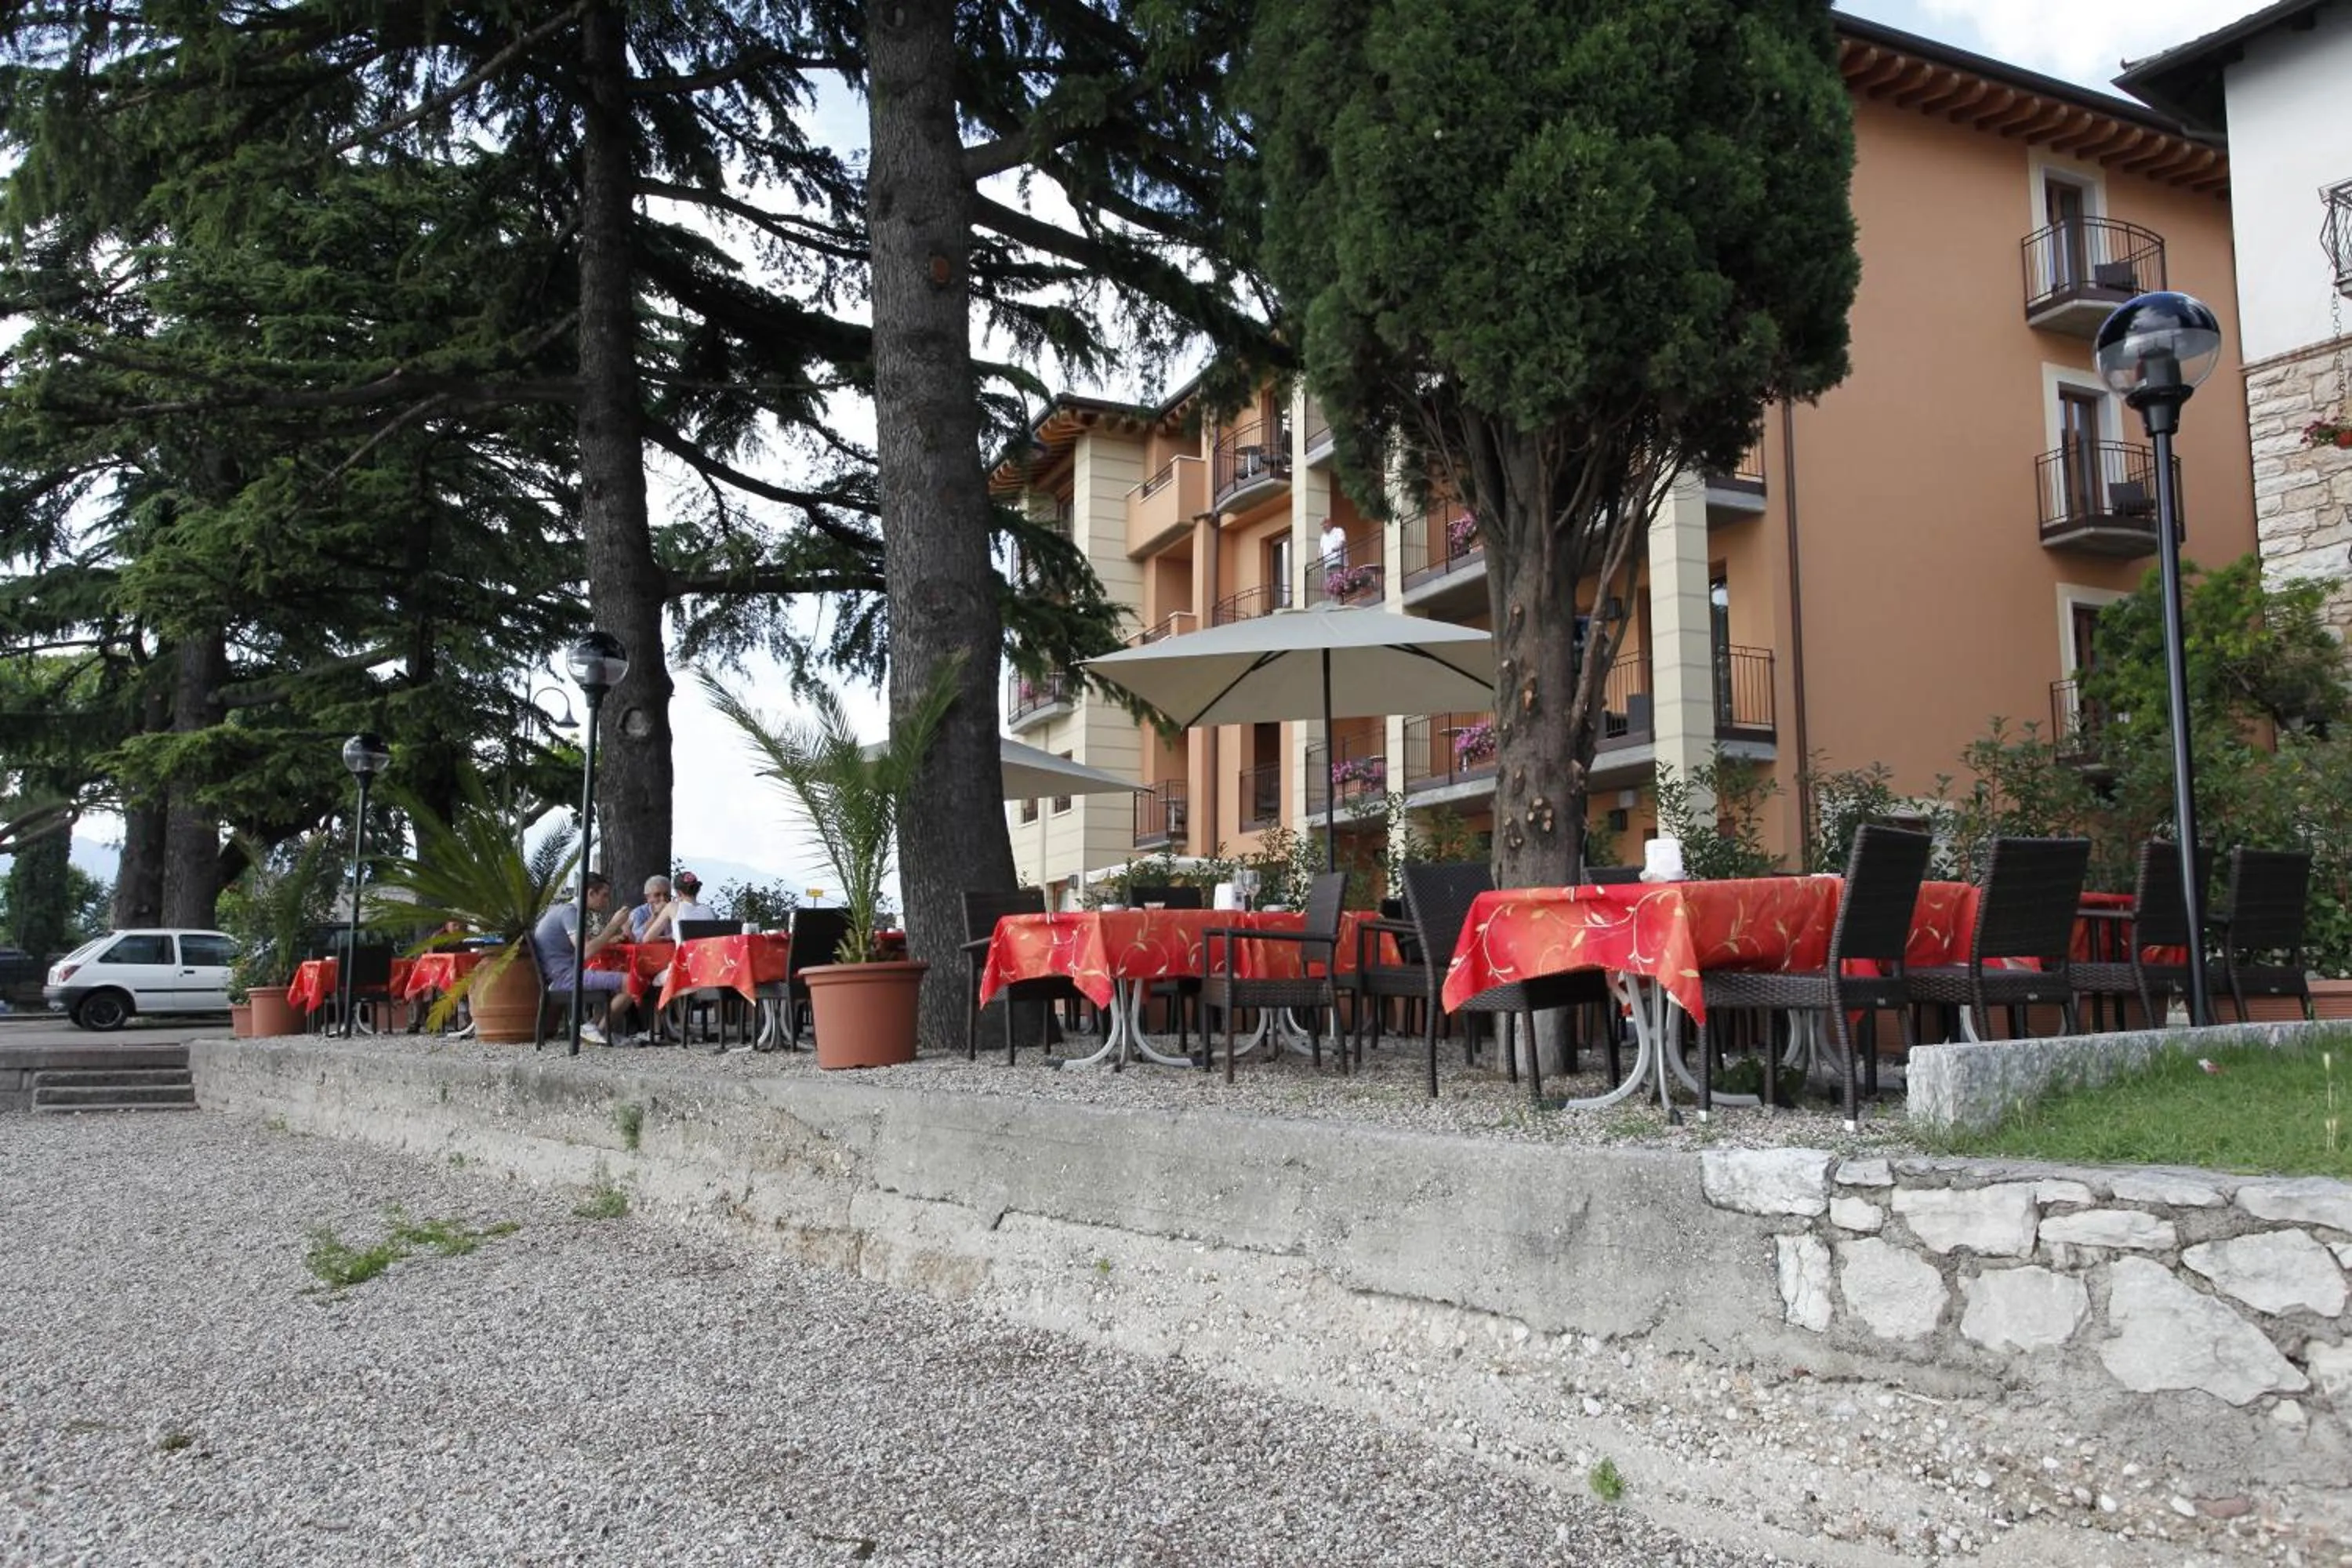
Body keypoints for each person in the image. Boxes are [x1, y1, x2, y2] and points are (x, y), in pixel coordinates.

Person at [532, 873, 639, 1045]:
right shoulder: (570, 913)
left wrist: (609, 939)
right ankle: (600, 1032)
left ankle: (594, 1028)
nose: (606, 901)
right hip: (564, 978)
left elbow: (585, 945)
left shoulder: (566, 911)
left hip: (560, 974)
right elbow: (586, 951)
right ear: (590, 893)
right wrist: (613, 926)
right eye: (604, 895)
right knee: (632, 981)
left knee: (614, 977)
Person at [627, 874, 673, 939]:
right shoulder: (639, 912)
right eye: (657, 895)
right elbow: (637, 938)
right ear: (648, 897)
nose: (663, 899)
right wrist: (656, 915)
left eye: (666, 894)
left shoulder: (675, 910)